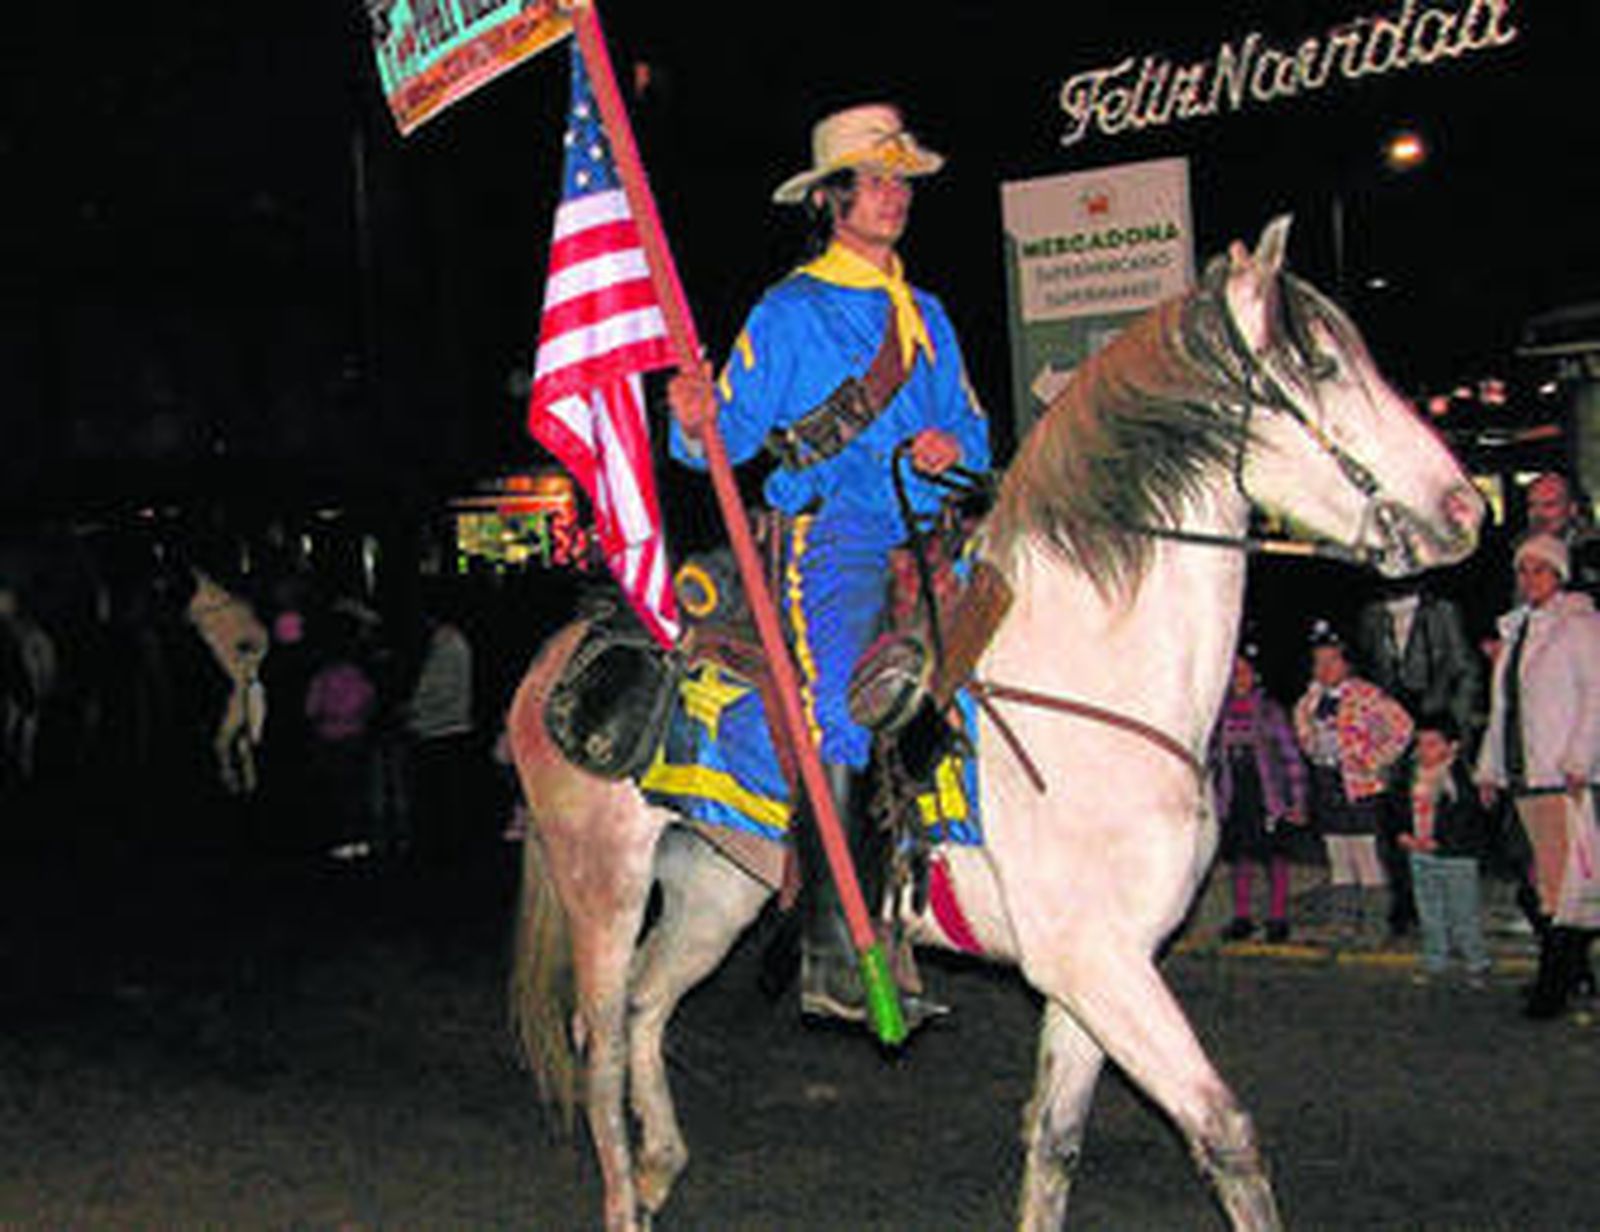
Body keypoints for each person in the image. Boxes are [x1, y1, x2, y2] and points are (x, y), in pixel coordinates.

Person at [667, 103, 990, 1029]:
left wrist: (947, 445)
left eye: (901, 182)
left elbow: (974, 429)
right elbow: (719, 446)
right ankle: (837, 948)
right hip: (836, 536)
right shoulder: (792, 310)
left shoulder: (925, 313)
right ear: (834, 199)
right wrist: (693, 415)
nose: (894, 197)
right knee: (848, 708)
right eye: (876, 181)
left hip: (933, 538)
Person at [1475, 533, 1600, 1018]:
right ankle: (1570, 975)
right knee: (1544, 883)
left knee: (1559, 886)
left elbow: (1595, 697)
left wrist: (1579, 760)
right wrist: (1490, 768)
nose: (1530, 579)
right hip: (1523, 771)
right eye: (1523, 570)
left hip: (1559, 774)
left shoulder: (1580, 626)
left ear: (1559, 574)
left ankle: (1556, 985)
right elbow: (1504, 705)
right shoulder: (1519, 629)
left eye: (1540, 570)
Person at [1354, 579, 1481, 938]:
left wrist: (1453, 727)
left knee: (1439, 818)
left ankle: (1442, 904)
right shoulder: (1373, 615)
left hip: (1433, 724)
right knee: (1394, 816)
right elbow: (1369, 672)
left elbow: (1464, 669)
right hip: (1394, 729)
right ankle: (1403, 901)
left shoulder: (1441, 611)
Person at [1293, 622, 1413, 945]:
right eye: (1318, 661)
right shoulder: (1310, 699)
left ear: (1347, 663)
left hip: (1361, 788)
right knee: (1338, 855)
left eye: (1332, 660)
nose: (1325, 668)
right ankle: (1343, 924)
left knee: (1366, 855)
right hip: (1328, 782)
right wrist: (1312, 746)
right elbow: (1304, 734)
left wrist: (1373, 760)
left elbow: (1402, 727)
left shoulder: (1366, 695)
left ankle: (1375, 926)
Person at [1210, 646, 1307, 943]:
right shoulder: (1220, 712)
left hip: (1268, 796)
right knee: (1241, 858)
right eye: (1233, 672)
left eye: (1244, 671)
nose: (1239, 678)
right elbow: (1213, 758)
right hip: (1235, 796)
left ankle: (1277, 918)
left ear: (1255, 675)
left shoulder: (1269, 711)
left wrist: (1297, 800)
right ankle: (1242, 917)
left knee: (1274, 857)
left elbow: (1290, 756)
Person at [1395, 713, 1494, 984]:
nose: (1424, 751)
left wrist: (1443, 840)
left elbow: (1468, 818)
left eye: (1432, 744)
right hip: (1419, 852)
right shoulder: (1409, 774)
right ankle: (1435, 959)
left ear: (1452, 746)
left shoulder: (1461, 778)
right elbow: (1396, 808)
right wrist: (1403, 834)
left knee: (1463, 912)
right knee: (1429, 910)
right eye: (1421, 744)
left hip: (1456, 857)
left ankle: (1476, 962)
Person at [1524, 472, 1600, 600]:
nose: (1538, 514)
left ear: (1572, 509)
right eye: (1532, 505)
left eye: (1549, 505)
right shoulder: (1517, 549)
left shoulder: (1592, 552)